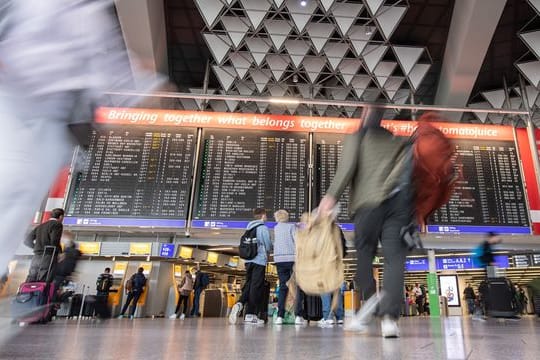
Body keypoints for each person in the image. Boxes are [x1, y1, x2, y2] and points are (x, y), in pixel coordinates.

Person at [0, 0, 167, 275]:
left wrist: (144, 82)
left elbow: (107, 66)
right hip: (14, 101)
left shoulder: (92, 16)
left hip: (56, 117)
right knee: (12, 181)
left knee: (21, 194)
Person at [318, 106, 414, 338]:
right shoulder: (398, 142)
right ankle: (390, 320)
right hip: (399, 206)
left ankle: (371, 301)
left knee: (364, 253)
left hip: (367, 205)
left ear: (365, 115)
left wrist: (329, 198)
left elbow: (346, 169)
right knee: (394, 259)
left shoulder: (358, 137)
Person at [229, 208, 272, 325]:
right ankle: (250, 315)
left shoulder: (249, 228)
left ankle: (240, 303)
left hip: (248, 261)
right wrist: (270, 249)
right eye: (266, 215)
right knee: (256, 287)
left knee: (249, 284)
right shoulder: (262, 228)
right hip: (259, 261)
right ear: (263, 216)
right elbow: (268, 245)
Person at [24, 208, 65, 282]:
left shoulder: (40, 226)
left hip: (36, 256)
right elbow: (54, 241)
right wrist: (60, 253)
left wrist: (36, 248)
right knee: (44, 278)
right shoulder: (57, 224)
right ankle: (39, 293)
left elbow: (27, 241)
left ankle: (25, 293)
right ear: (61, 216)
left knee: (31, 277)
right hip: (48, 256)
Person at [272, 209, 297, 325]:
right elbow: (297, 241)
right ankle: (297, 315)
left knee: (283, 287)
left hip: (279, 260)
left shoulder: (276, 228)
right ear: (287, 217)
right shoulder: (291, 227)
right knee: (295, 287)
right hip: (291, 259)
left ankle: (280, 316)